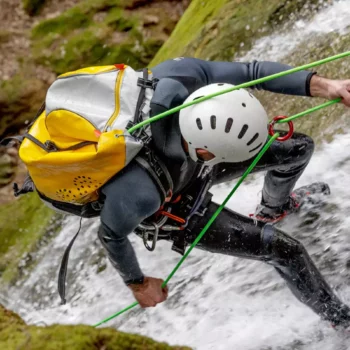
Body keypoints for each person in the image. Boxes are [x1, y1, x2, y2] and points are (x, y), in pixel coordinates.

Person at [95, 57, 350, 328]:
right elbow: (111, 234)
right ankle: (341, 321)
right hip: (174, 206)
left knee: (299, 148)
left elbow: (254, 73)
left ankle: (273, 210)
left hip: (196, 158)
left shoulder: (181, 76)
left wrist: (328, 87)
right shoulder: (140, 192)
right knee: (286, 250)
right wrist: (138, 283)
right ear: (208, 152)